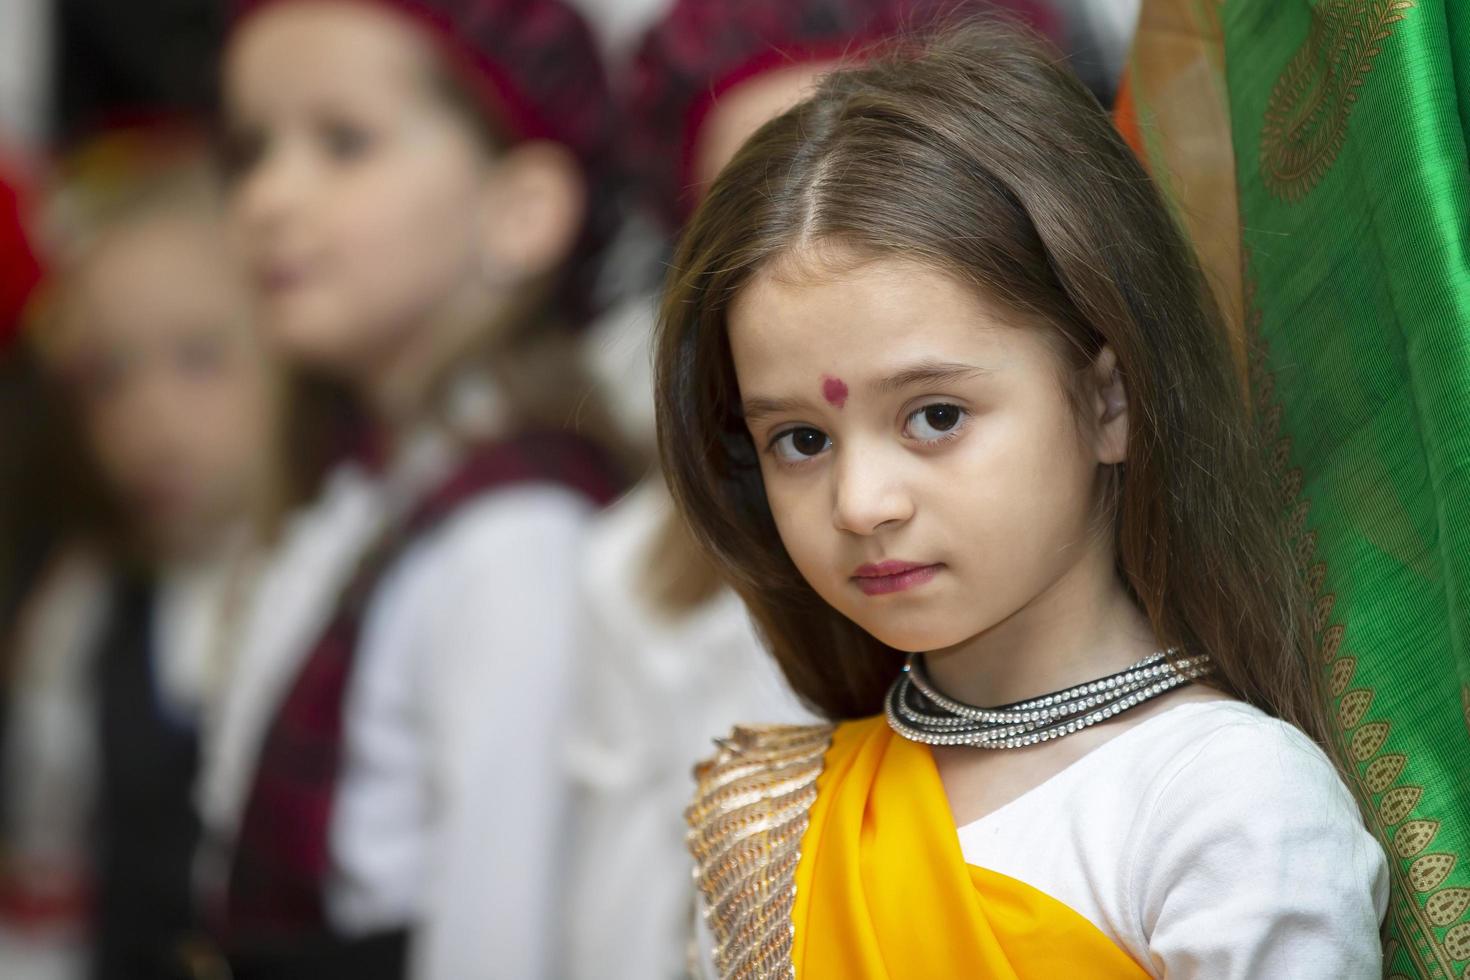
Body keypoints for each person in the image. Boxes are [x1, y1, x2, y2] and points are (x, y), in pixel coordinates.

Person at [657, 21, 1389, 978]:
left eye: (935, 416)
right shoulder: (782, 823)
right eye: (801, 440)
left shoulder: (1223, 801)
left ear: (1107, 400)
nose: (862, 502)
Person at [202, 2, 625, 977]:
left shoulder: (514, 534)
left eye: (343, 142)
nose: (267, 197)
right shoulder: (369, 487)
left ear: (521, 210)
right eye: (248, 152)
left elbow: (498, 935)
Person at [1, 132, 281, 980]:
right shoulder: (83, 606)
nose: (152, 418)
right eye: (108, 377)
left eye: (200, 357)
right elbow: (51, 872)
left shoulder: (327, 583)